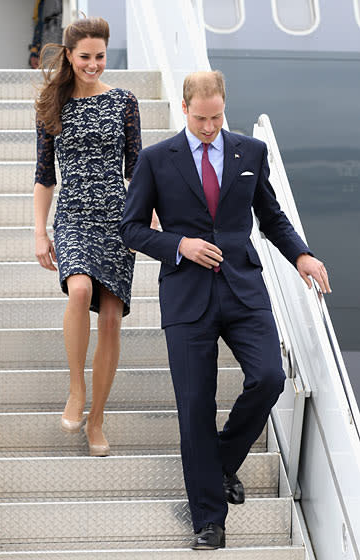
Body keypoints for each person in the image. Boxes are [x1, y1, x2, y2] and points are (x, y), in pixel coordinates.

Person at [120, 71, 330, 549]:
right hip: (187, 294)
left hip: (243, 289)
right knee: (195, 407)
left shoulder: (250, 153)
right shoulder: (156, 160)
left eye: (216, 117)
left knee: (269, 378)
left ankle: (219, 462)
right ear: (184, 106)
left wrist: (301, 254)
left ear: (223, 107)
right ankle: (209, 522)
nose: (210, 126)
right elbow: (131, 229)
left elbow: (271, 215)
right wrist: (180, 245)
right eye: (200, 118)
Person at [34, 16, 141, 456]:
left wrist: (147, 216)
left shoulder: (124, 102)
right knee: (78, 291)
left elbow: (136, 169)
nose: (93, 64)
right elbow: (44, 176)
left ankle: (96, 420)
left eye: (100, 56)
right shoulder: (50, 104)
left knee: (112, 319)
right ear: (69, 55)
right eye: (85, 57)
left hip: (117, 218)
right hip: (74, 215)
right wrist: (40, 233)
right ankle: (76, 388)